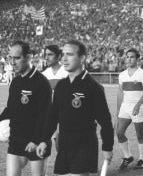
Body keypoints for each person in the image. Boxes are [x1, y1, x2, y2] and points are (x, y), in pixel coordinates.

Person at [36, 40, 114, 175]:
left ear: (82, 58)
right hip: (64, 144)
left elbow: (105, 121)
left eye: (70, 55)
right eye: (63, 54)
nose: (64, 59)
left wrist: (107, 147)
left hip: (84, 146)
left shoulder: (93, 87)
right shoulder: (61, 85)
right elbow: (53, 116)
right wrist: (44, 140)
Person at [0, 41, 52, 176]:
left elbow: (46, 116)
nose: (12, 62)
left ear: (28, 57)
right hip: (17, 140)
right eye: (10, 58)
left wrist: (36, 140)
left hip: (37, 141)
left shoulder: (41, 83)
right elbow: (10, 109)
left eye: (17, 58)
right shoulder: (16, 82)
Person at [116, 48, 143, 170]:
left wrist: (138, 104)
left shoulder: (142, 74)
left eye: (132, 57)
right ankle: (128, 156)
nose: (129, 59)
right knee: (119, 132)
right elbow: (120, 93)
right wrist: (118, 111)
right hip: (125, 107)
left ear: (137, 59)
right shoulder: (122, 75)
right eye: (127, 56)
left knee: (140, 135)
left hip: (138, 107)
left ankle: (142, 159)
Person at [42, 45, 68, 152]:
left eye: (50, 55)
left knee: (61, 143)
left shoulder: (67, 72)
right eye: (45, 55)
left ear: (58, 56)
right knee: (49, 142)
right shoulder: (44, 74)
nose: (46, 58)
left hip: (65, 112)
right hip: (50, 113)